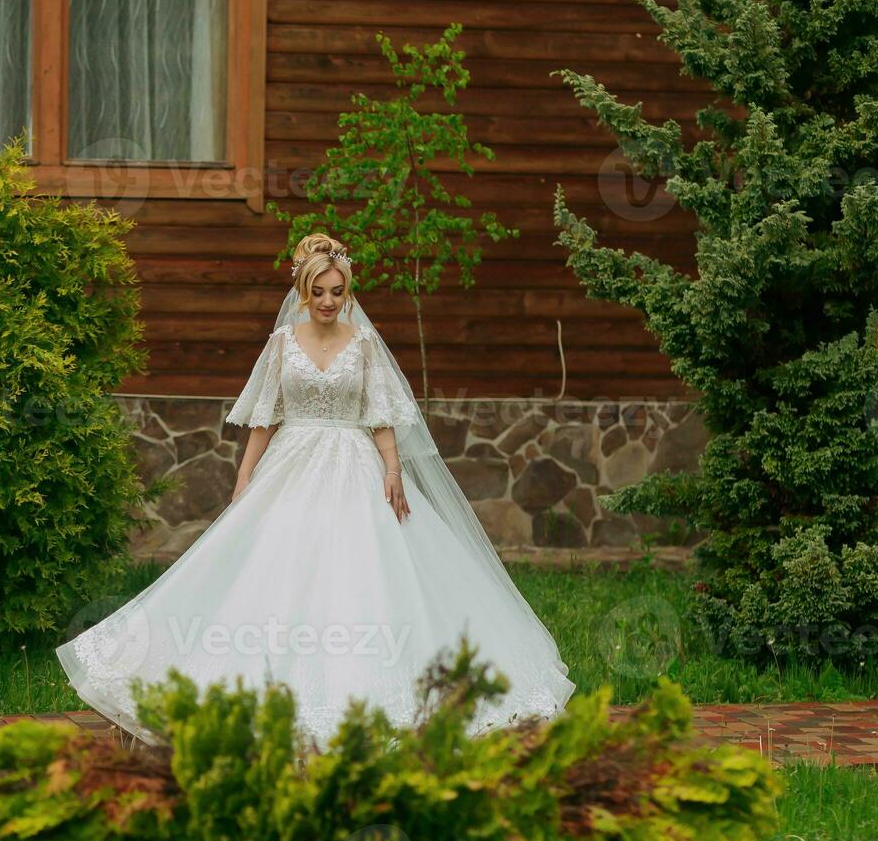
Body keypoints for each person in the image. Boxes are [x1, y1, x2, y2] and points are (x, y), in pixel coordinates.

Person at [58, 233, 575, 744]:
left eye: (337, 291)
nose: (329, 301)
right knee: (274, 570)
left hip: (356, 465)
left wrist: (393, 471)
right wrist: (244, 477)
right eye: (320, 291)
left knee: (364, 571)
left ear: (347, 290)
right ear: (304, 291)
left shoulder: (365, 343)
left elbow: (380, 415)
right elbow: (264, 417)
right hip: (292, 465)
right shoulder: (283, 343)